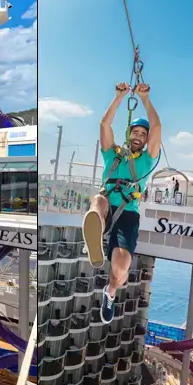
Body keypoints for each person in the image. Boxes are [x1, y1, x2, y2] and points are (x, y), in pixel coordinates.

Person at [82, 82, 161, 324]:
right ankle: (95, 233)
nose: (138, 136)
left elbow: (157, 127)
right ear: (128, 134)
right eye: (134, 132)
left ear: (146, 140)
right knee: (98, 200)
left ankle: (111, 292)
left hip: (128, 212)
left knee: (122, 263)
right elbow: (104, 125)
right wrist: (118, 98)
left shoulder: (148, 160)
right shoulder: (112, 155)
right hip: (107, 204)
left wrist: (145, 99)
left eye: (142, 134)